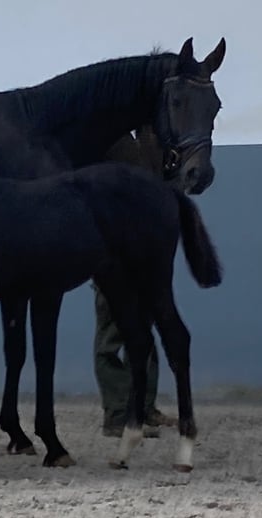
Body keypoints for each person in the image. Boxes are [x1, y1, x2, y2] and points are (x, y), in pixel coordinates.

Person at [93, 126, 179, 437]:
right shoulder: (106, 138)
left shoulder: (150, 136)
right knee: (112, 335)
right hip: (114, 249)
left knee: (143, 330)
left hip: (146, 248)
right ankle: (117, 414)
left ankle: (143, 407)